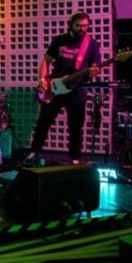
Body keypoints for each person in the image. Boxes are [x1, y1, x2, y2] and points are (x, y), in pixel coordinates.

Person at [28, 11, 101, 165]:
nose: (82, 29)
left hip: (77, 91)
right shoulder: (60, 40)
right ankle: (33, 152)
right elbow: (46, 61)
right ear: (70, 24)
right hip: (55, 87)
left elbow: (95, 66)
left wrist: (94, 70)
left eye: (86, 26)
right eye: (79, 26)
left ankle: (75, 158)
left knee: (75, 126)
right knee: (43, 122)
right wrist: (42, 79)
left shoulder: (92, 44)